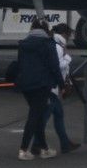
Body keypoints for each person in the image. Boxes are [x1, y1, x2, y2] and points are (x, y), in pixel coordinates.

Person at [15, 18, 64, 160]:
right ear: (46, 30)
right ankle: (23, 149)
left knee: (37, 115)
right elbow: (54, 66)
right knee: (35, 115)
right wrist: (61, 84)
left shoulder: (23, 44)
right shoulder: (48, 44)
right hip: (42, 83)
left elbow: (20, 64)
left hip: (26, 83)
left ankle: (44, 148)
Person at [44, 23, 79, 153]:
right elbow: (57, 66)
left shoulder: (55, 43)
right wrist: (68, 58)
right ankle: (38, 144)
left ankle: (65, 143)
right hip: (51, 87)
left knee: (58, 114)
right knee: (44, 117)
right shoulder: (58, 47)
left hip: (52, 87)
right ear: (65, 34)